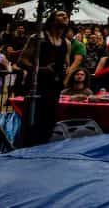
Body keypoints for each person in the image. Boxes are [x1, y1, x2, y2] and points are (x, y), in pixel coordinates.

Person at [18, 10, 70, 146]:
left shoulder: (66, 43)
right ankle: (25, 150)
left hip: (54, 87)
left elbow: (66, 64)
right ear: (52, 20)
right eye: (60, 15)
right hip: (37, 85)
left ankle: (41, 152)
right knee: (32, 121)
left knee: (49, 122)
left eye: (66, 16)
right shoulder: (38, 38)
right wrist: (41, 70)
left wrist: (64, 71)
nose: (65, 17)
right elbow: (22, 61)